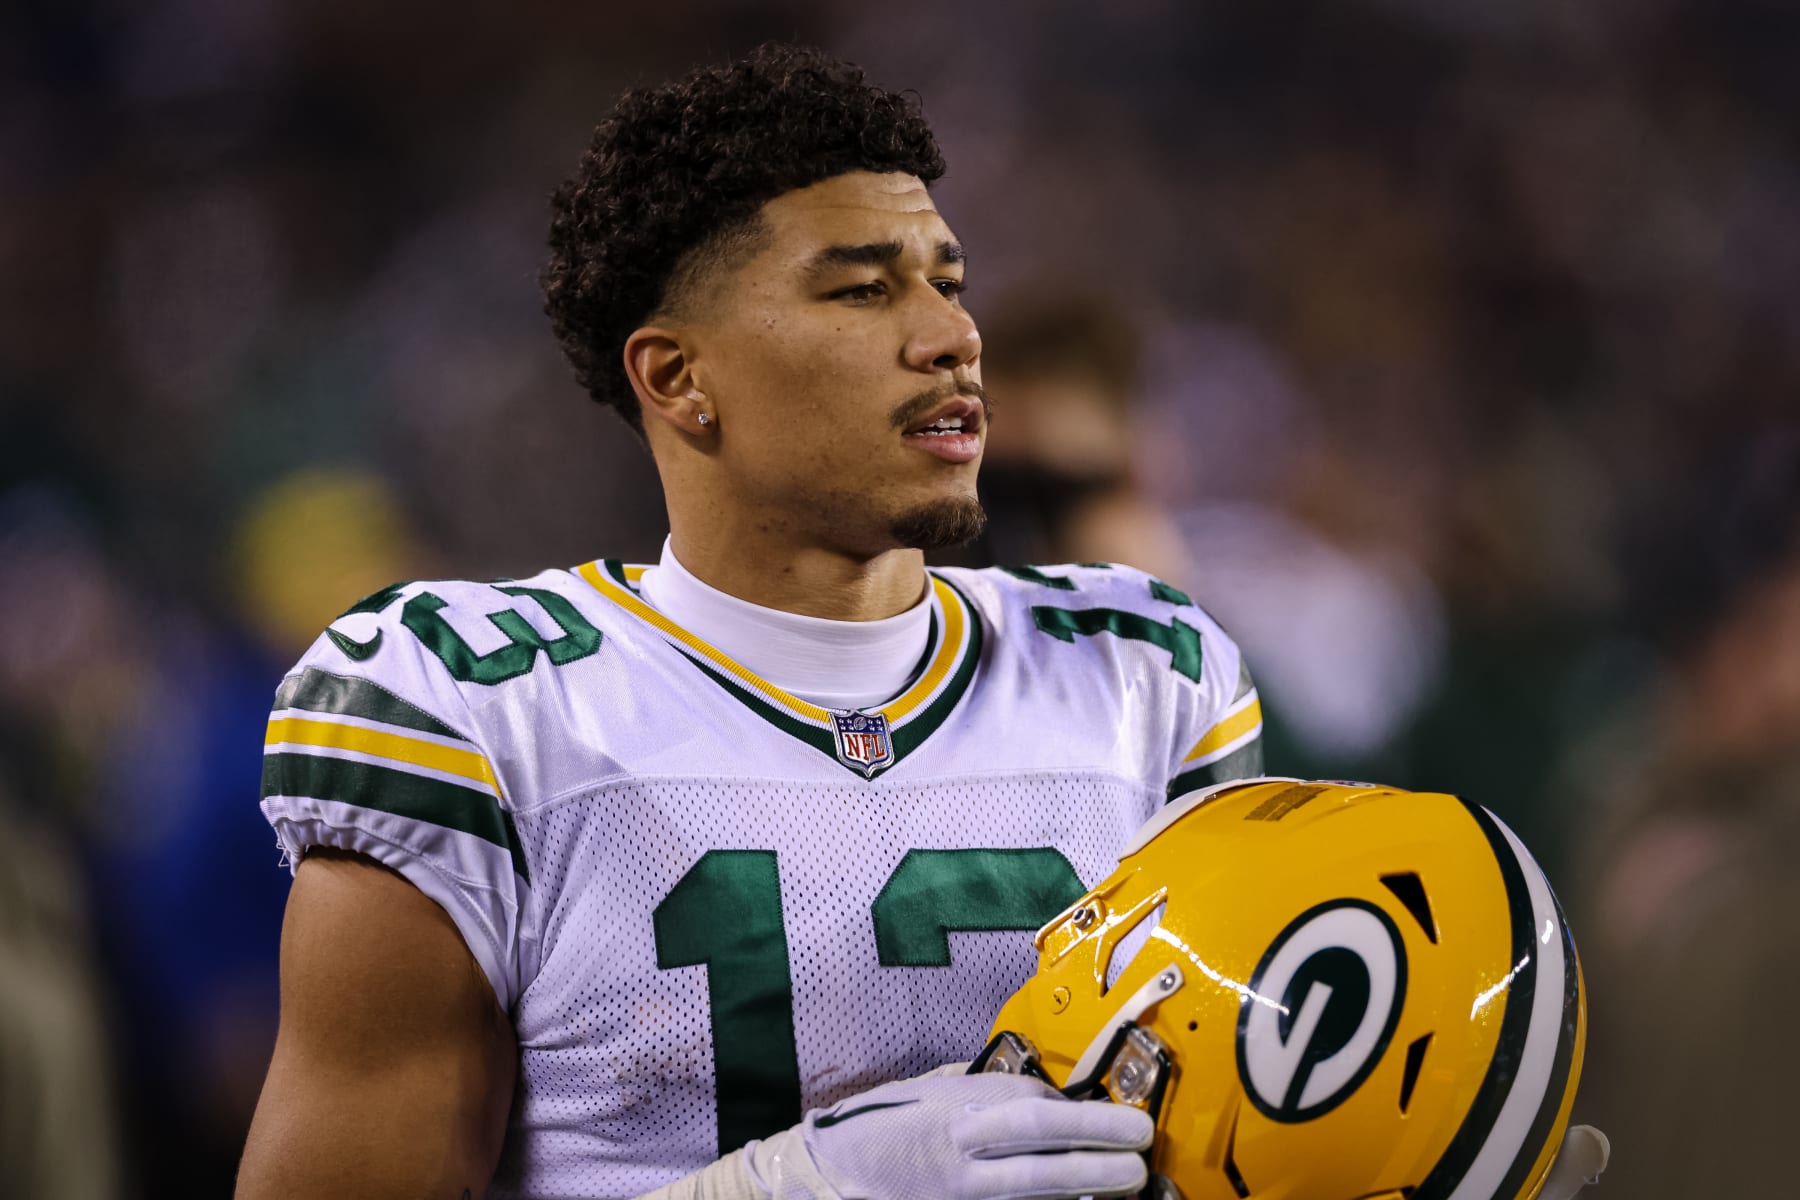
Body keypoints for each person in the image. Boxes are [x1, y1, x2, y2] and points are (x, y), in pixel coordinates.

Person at [235, 43, 1264, 1200]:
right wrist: (778, 1190)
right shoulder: (479, 710)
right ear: (678, 378)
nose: (953, 336)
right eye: (864, 289)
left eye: (949, 281)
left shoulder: (1141, 671)